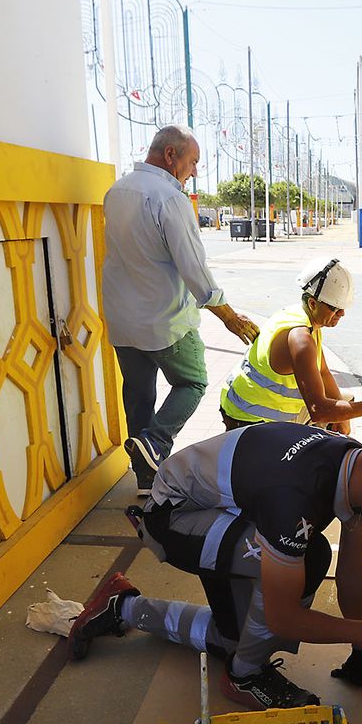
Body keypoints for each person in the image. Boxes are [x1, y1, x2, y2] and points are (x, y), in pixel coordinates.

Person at [65, 424, 362, 709]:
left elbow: (352, 572)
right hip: (174, 519)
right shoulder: (295, 498)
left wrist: (361, 647)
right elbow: (284, 619)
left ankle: (121, 606)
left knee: (235, 640)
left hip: (226, 512)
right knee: (310, 556)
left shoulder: (358, 467)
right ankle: (244, 677)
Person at [101, 125, 259, 494]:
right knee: (192, 382)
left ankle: (144, 476)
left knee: (138, 393)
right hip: (165, 321)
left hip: (122, 320)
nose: (194, 172)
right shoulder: (169, 199)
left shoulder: (117, 191)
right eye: (193, 162)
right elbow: (194, 268)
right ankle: (155, 444)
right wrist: (229, 317)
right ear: (171, 155)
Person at [218, 257, 362, 433]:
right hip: (249, 421)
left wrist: (344, 420)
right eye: (335, 308)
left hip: (245, 406)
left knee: (346, 403)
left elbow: (324, 372)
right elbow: (319, 410)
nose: (341, 314)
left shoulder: (306, 321)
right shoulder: (301, 339)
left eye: (343, 308)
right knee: (327, 428)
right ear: (312, 303)